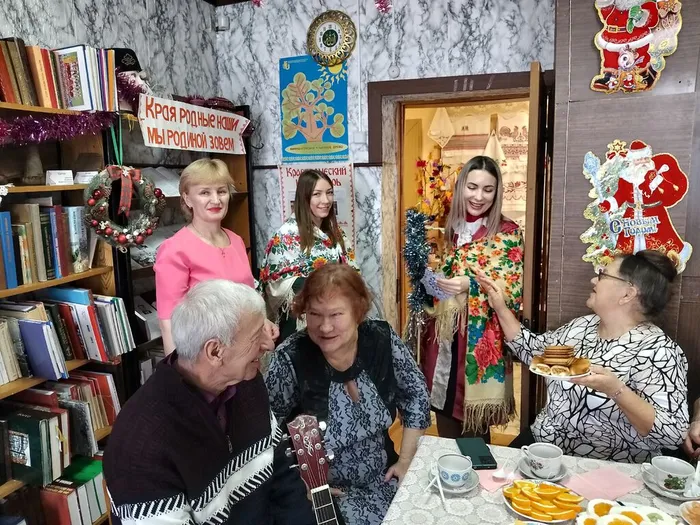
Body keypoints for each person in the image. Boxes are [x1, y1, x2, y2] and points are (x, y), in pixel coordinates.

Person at [104, 280, 314, 525]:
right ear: (215, 352)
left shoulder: (246, 383)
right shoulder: (140, 446)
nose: (268, 344)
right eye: (257, 335)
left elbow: (282, 477)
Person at [477, 250, 689, 463]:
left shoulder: (658, 351)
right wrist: (500, 307)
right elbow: (534, 352)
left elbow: (672, 434)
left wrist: (616, 390)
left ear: (627, 294)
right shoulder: (582, 326)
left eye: (603, 275)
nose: (594, 280)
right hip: (545, 445)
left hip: (608, 464)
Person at [265, 264, 430, 525]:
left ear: (358, 310)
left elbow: (415, 394)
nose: (325, 327)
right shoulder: (290, 358)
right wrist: (298, 485)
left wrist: (407, 460)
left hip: (384, 476)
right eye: (314, 314)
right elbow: (265, 431)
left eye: (336, 314)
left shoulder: (381, 339)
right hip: (322, 490)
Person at [420, 155, 524, 440]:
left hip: (477, 337)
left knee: (474, 426)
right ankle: (448, 464)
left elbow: (513, 288)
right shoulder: (450, 228)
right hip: (445, 334)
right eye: (472, 187)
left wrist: (470, 284)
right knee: (443, 407)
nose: (478, 197)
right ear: (461, 187)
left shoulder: (506, 232)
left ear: (497, 192)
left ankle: (477, 466)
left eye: (487, 190)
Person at [154, 158, 278, 354]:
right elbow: (169, 323)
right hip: (207, 356)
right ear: (187, 199)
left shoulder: (236, 241)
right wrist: (177, 370)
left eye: (221, 191)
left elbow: (247, 297)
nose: (216, 200)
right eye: (205, 192)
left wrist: (262, 320)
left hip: (247, 352)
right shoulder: (174, 250)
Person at [259, 169, 358, 342]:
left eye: (329, 193)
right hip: (299, 323)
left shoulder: (336, 232)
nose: (325, 200)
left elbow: (352, 270)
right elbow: (274, 285)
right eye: (317, 194)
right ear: (304, 198)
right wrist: (317, 286)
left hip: (335, 318)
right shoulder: (286, 235)